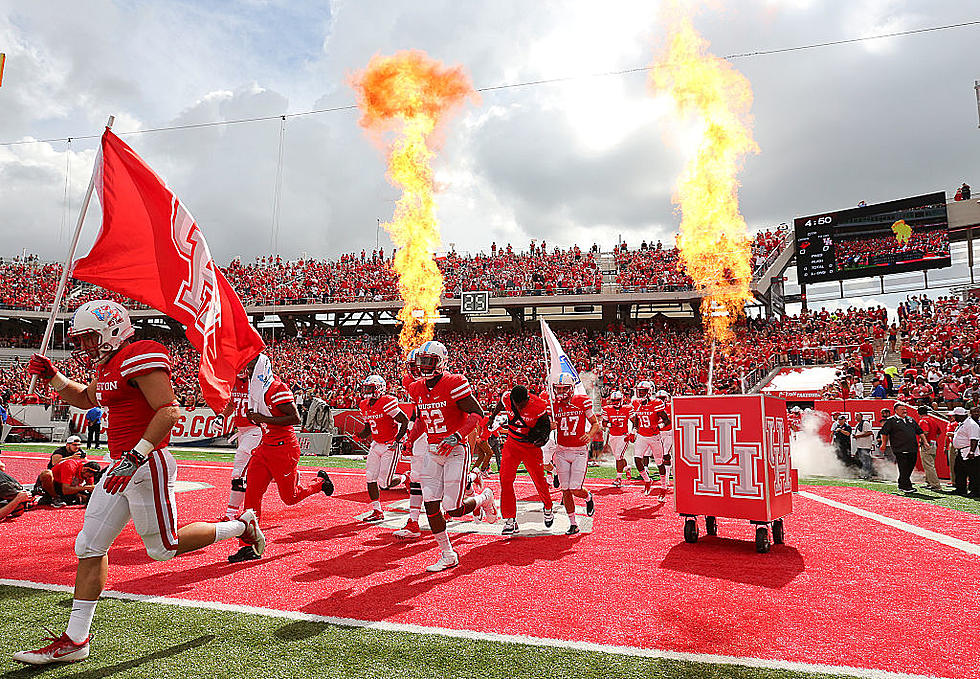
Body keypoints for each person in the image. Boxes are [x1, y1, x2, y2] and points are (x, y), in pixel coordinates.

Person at [16, 300, 265, 666]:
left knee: (164, 547)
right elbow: (87, 398)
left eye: (89, 338)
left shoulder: (141, 354)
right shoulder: (108, 367)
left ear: (112, 330)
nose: (84, 346)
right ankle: (76, 639)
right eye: (81, 339)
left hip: (146, 462)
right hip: (122, 465)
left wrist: (135, 457)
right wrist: (53, 376)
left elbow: (169, 409)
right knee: (89, 545)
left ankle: (242, 525)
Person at [406, 341, 496, 571]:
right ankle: (448, 554)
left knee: (453, 508)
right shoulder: (416, 388)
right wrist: (410, 440)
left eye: (429, 361)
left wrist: (457, 435)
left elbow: (477, 413)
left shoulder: (454, 382)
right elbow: (421, 420)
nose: (424, 366)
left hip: (456, 450)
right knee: (431, 504)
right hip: (433, 450)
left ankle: (484, 497)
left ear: (441, 362)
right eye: (421, 361)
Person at [231, 366, 335, 562]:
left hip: (283, 448)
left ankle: (320, 482)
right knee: (252, 494)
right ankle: (248, 545)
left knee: (290, 497)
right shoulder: (253, 389)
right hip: (264, 447)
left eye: (250, 369)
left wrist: (263, 419)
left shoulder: (277, 388)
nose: (246, 373)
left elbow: (294, 418)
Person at [488, 383, 554, 536]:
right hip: (512, 444)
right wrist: (492, 417)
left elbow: (545, 428)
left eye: (521, 404)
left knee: (539, 480)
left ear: (528, 399)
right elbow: (500, 404)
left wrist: (541, 439)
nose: (518, 406)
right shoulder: (507, 398)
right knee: (505, 480)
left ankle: (548, 506)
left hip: (530, 447)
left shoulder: (538, 405)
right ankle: (510, 519)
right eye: (515, 403)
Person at [547, 373, 599, 535]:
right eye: (558, 388)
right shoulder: (553, 405)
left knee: (576, 489)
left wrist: (589, 435)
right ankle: (573, 523)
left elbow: (595, 424)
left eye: (564, 388)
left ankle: (588, 496)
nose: (560, 391)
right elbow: (543, 427)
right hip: (561, 451)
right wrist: (550, 425)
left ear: (571, 389)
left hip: (578, 451)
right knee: (565, 490)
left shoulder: (582, 401)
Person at [356, 374, 409, 522]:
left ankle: (406, 477)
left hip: (389, 445)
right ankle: (377, 510)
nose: (367, 391)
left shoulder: (387, 402)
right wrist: (359, 435)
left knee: (384, 484)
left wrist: (397, 440)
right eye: (365, 388)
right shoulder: (364, 405)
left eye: (370, 388)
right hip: (376, 444)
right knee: (370, 477)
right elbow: (368, 428)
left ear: (380, 389)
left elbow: (404, 421)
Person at [221, 358, 264, 519]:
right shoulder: (234, 382)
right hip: (243, 432)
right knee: (256, 471)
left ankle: (231, 513)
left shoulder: (257, 383)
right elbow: (232, 405)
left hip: (256, 431)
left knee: (238, 472)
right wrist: (221, 416)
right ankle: (283, 474)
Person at [393, 348, 427, 540]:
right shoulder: (410, 383)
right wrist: (412, 437)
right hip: (422, 427)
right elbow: (421, 414)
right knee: (417, 475)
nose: (417, 370)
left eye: (421, 365)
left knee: (449, 481)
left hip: (445, 431)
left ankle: (476, 493)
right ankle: (413, 520)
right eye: (413, 366)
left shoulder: (449, 382)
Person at [630, 381, 671, 495]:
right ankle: (647, 480)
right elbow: (637, 419)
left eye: (642, 391)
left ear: (649, 392)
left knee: (659, 462)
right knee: (637, 459)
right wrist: (634, 431)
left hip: (654, 437)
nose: (640, 394)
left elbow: (667, 420)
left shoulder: (656, 402)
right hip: (642, 436)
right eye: (639, 391)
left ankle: (663, 485)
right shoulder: (636, 403)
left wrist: (659, 426)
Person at [878, 403, 927, 494]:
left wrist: (925, 442)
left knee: (910, 466)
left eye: (905, 409)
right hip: (900, 448)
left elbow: (919, 431)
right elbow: (884, 433)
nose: (905, 411)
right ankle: (906, 486)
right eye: (902, 409)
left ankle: (902, 482)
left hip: (912, 447)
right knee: (904, 467)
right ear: (896, 410)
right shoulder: (891, 420)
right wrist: (883, 444)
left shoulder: (910, 420)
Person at [34, 435, 85, 504]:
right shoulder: (59, 451)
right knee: (46, 474)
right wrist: (71, 457)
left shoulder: (80, 452)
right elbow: (54, 462)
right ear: (68, 445)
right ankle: (54, 496)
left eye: (79, 445)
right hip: (56, 477)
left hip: (70, 477)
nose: (77, 447)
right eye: (74, 445)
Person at [601, 390, 632, 486]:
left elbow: (635, 421)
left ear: (622, 399)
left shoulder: (628, 408)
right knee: (618, 456)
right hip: (613, 436)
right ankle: (626, 467)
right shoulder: (607, 409)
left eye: (617, 400)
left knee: (619, 456)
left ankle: (618, 478)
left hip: (623, 436)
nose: (616, 402)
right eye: (614, 400)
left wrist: (632, 433)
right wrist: (612, 424)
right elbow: (604, 424)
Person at [948, 407, 980, 497]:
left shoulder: (971, 424)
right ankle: (960, 489)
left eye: (955, 416)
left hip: (968, 451)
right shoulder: (963, 423)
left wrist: (972, 452)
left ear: (960, 416)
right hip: (961, 451)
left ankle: (975, 491)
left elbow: (974, 439)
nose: (954, 417)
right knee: (959, 471)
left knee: (973, 473)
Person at [916, 406, 944, 492]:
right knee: (930, 464)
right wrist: (933, 440)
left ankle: (935, 485)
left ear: (918, 413)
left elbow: (925, 432)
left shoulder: (922, 421)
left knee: (928, 465)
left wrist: (923, 442)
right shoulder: (933, 420)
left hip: (927, 444)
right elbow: (939, 432)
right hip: (933, 443)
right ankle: (929, 482)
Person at [852, 414, 875, 480]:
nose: (856, 417)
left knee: (866, 460)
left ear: (861, 417)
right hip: (860, 445)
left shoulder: (865, 423)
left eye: (857, 416)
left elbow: (870, 432)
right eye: (855, 416)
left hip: (865, 445)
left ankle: (867, 475)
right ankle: (864, 474)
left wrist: (858, 436)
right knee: (863, 460)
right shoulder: (859, 424)